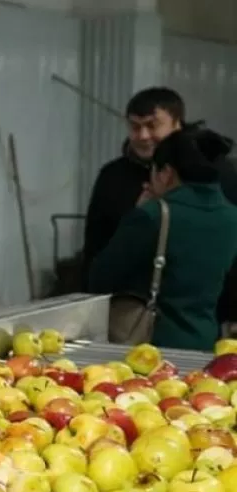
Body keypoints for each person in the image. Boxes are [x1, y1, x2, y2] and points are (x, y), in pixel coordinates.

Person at [90, 130, 237, 350]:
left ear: (166, 173)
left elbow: (100, 279)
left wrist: (135, 213)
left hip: (152, 345)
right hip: (207, 341)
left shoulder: (152, 216)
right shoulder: (232, 216)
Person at [82, 87, 237, 285]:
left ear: (177, 123)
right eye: (135, 127)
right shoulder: (112, 176)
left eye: (152, 125)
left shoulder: (214, 171)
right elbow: (95, 248)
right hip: (131, 303)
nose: (143, 136)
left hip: (207, 301)